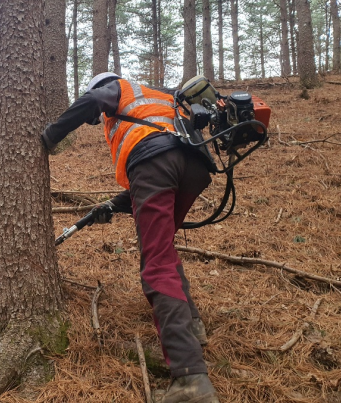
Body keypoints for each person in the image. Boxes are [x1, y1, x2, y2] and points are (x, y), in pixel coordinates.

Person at [42, 72, 219, 403]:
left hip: (155, 163)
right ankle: (193, 327)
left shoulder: (117, 89)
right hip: (194, 166)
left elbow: (96, 104)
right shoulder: (159, 96)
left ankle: (191, 379)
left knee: (156, 264)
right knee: (163, 250)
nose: (99, 117)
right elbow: (166, 158)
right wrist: (112, 204)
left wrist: (51, 136)